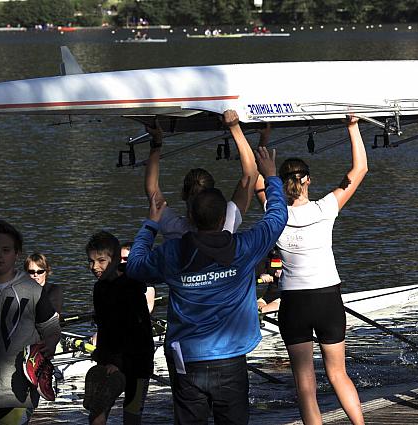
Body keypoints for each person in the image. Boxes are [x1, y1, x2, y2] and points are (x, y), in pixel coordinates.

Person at [126, 147, 287, 424]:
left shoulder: (173, 253)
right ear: (224, 218)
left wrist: (150, 226)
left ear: (189, 215)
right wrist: (271, 177)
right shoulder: (243, 247)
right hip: (230, 357)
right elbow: (277, 217)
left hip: (186, 360)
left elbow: (135, 267)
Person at [255, 116, 367, 425]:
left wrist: (264, 140)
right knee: (337, 373)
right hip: (327, 298)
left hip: (294, 302)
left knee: (305, 386)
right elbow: (359, 170)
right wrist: (352, 126)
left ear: (281, 182)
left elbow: (257, 182)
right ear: (308, 180)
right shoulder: (325, 208)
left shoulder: (274, 212)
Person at [144, 110, 258, 240]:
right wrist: (234, 127)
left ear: (183, 194)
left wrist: (156, 144)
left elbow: (152, 188)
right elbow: (251, 173)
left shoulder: (173, 228)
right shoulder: (229, 222)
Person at [0, 220, 60, 424]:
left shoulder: (33, 291)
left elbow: (51, 328)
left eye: (6, 249)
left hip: (18, 395)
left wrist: (50, 344)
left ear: (16, 254)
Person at [84, 231, 154, 425]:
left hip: (137, 363)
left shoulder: (130, 287)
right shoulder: (99, 288)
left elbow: (137, 332)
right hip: (110, 361)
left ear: (115, 260)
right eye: (90, 261)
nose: (95, 267)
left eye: (101, 261)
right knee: (96, 415)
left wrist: (119, 362)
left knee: (131, 417)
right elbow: (105, 326)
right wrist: (102, 354)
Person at [120, 242, 155, 314]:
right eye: (119, 258)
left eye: (125, 259)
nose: (121, 262)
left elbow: (148, 308)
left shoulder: (146, 282)